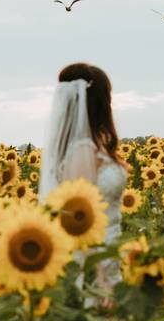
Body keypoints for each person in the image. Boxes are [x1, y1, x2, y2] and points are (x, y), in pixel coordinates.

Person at [38, 63, 127, 296]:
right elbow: (79, 221)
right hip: (93, 264)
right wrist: (99, 281)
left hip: (108, 252)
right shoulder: (82, 152)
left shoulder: (95, 148)